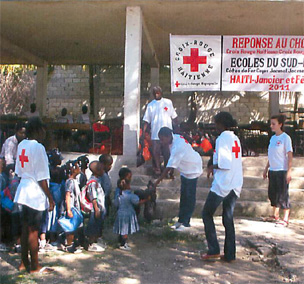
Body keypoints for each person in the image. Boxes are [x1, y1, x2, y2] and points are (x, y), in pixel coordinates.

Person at [14, 117, 55, 273]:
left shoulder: (21, 145)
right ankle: (35, 266)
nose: (44, 133)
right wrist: (50, 198)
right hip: (34, 194)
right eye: (43, 129)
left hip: (22, 191)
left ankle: (23, 263)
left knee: (25, 229)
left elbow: (19, 171)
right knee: (33, 231)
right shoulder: (38, 148)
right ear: (38, 130)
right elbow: (42, 178)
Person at [201, 112, 243, 262]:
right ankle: (230, 254)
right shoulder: (235, 138)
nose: (215, 127)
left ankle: (213, 249)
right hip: (236, 182)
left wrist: (212, 167)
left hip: (223, 183)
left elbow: (225, 164)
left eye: (216, 124)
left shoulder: (222, 138)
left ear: (221, 124)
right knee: (228, 218)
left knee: (206, 214)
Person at [155, 127, 203, 231]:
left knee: (189, 196)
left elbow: (168, 167)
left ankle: (186, 223)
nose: (161, 142)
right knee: (183, 195)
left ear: (168, 137)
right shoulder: (174, 138)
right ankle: (181, 220)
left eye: (162, 139)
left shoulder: (178, 146)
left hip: (192, 168)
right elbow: (173, 161)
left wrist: (157, 181)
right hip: (185, 169)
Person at [263, 115, 293, 227]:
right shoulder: (272, 138)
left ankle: (285, 217)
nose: (271, 126)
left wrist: (289, 171)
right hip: (273, 169)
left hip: (282, 170)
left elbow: (289, 155)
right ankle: (275, 215)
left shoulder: (286, 138)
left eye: (274, 124)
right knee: (273, 193)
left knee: (282, 193)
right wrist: (266, 169)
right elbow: (271, 155)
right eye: (271, 124)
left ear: (280, 124)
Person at [142, 86, 178, 177]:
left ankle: (167, 170)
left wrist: (177, 128)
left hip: (167, 133)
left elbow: (174, 116)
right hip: (155, 133)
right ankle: (157, 170)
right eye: (154, 93)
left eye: (158, 92)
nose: (156, 94)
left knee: (167, 152)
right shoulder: (150, 105)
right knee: (155, 151)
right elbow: (146, 120)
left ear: (161, 92)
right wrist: (143, 131)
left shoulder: (168, 102)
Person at [113, 168, 140, 251]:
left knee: (121, 228)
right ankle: (123, 243)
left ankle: (120, 240)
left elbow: (116, 202)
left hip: (120, 212)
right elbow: (136, 201)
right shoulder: (127, 194)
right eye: (129, 177)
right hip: (126, 212)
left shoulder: (120, 192)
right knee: (124, 229)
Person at [85, 161, 106, 252]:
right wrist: (96, 208)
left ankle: (95, 241)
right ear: (97, 171)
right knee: (93, 225)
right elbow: (93, 196)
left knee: (98, 224)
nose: (103, 171)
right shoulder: (93, 182)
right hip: (95, 208)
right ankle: (91, 243)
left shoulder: (97, 180)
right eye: (102, 169)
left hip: (99, 207)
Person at [63, 160, 83, 253]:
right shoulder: (70, 182)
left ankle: (74, 243)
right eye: (76, 167)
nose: (79, 169)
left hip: (75, 206)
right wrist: (68, 209)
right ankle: (69, 245)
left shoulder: (74, 180)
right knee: (70, 227)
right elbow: (68, 195)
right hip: (71, 206)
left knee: (75, 226)